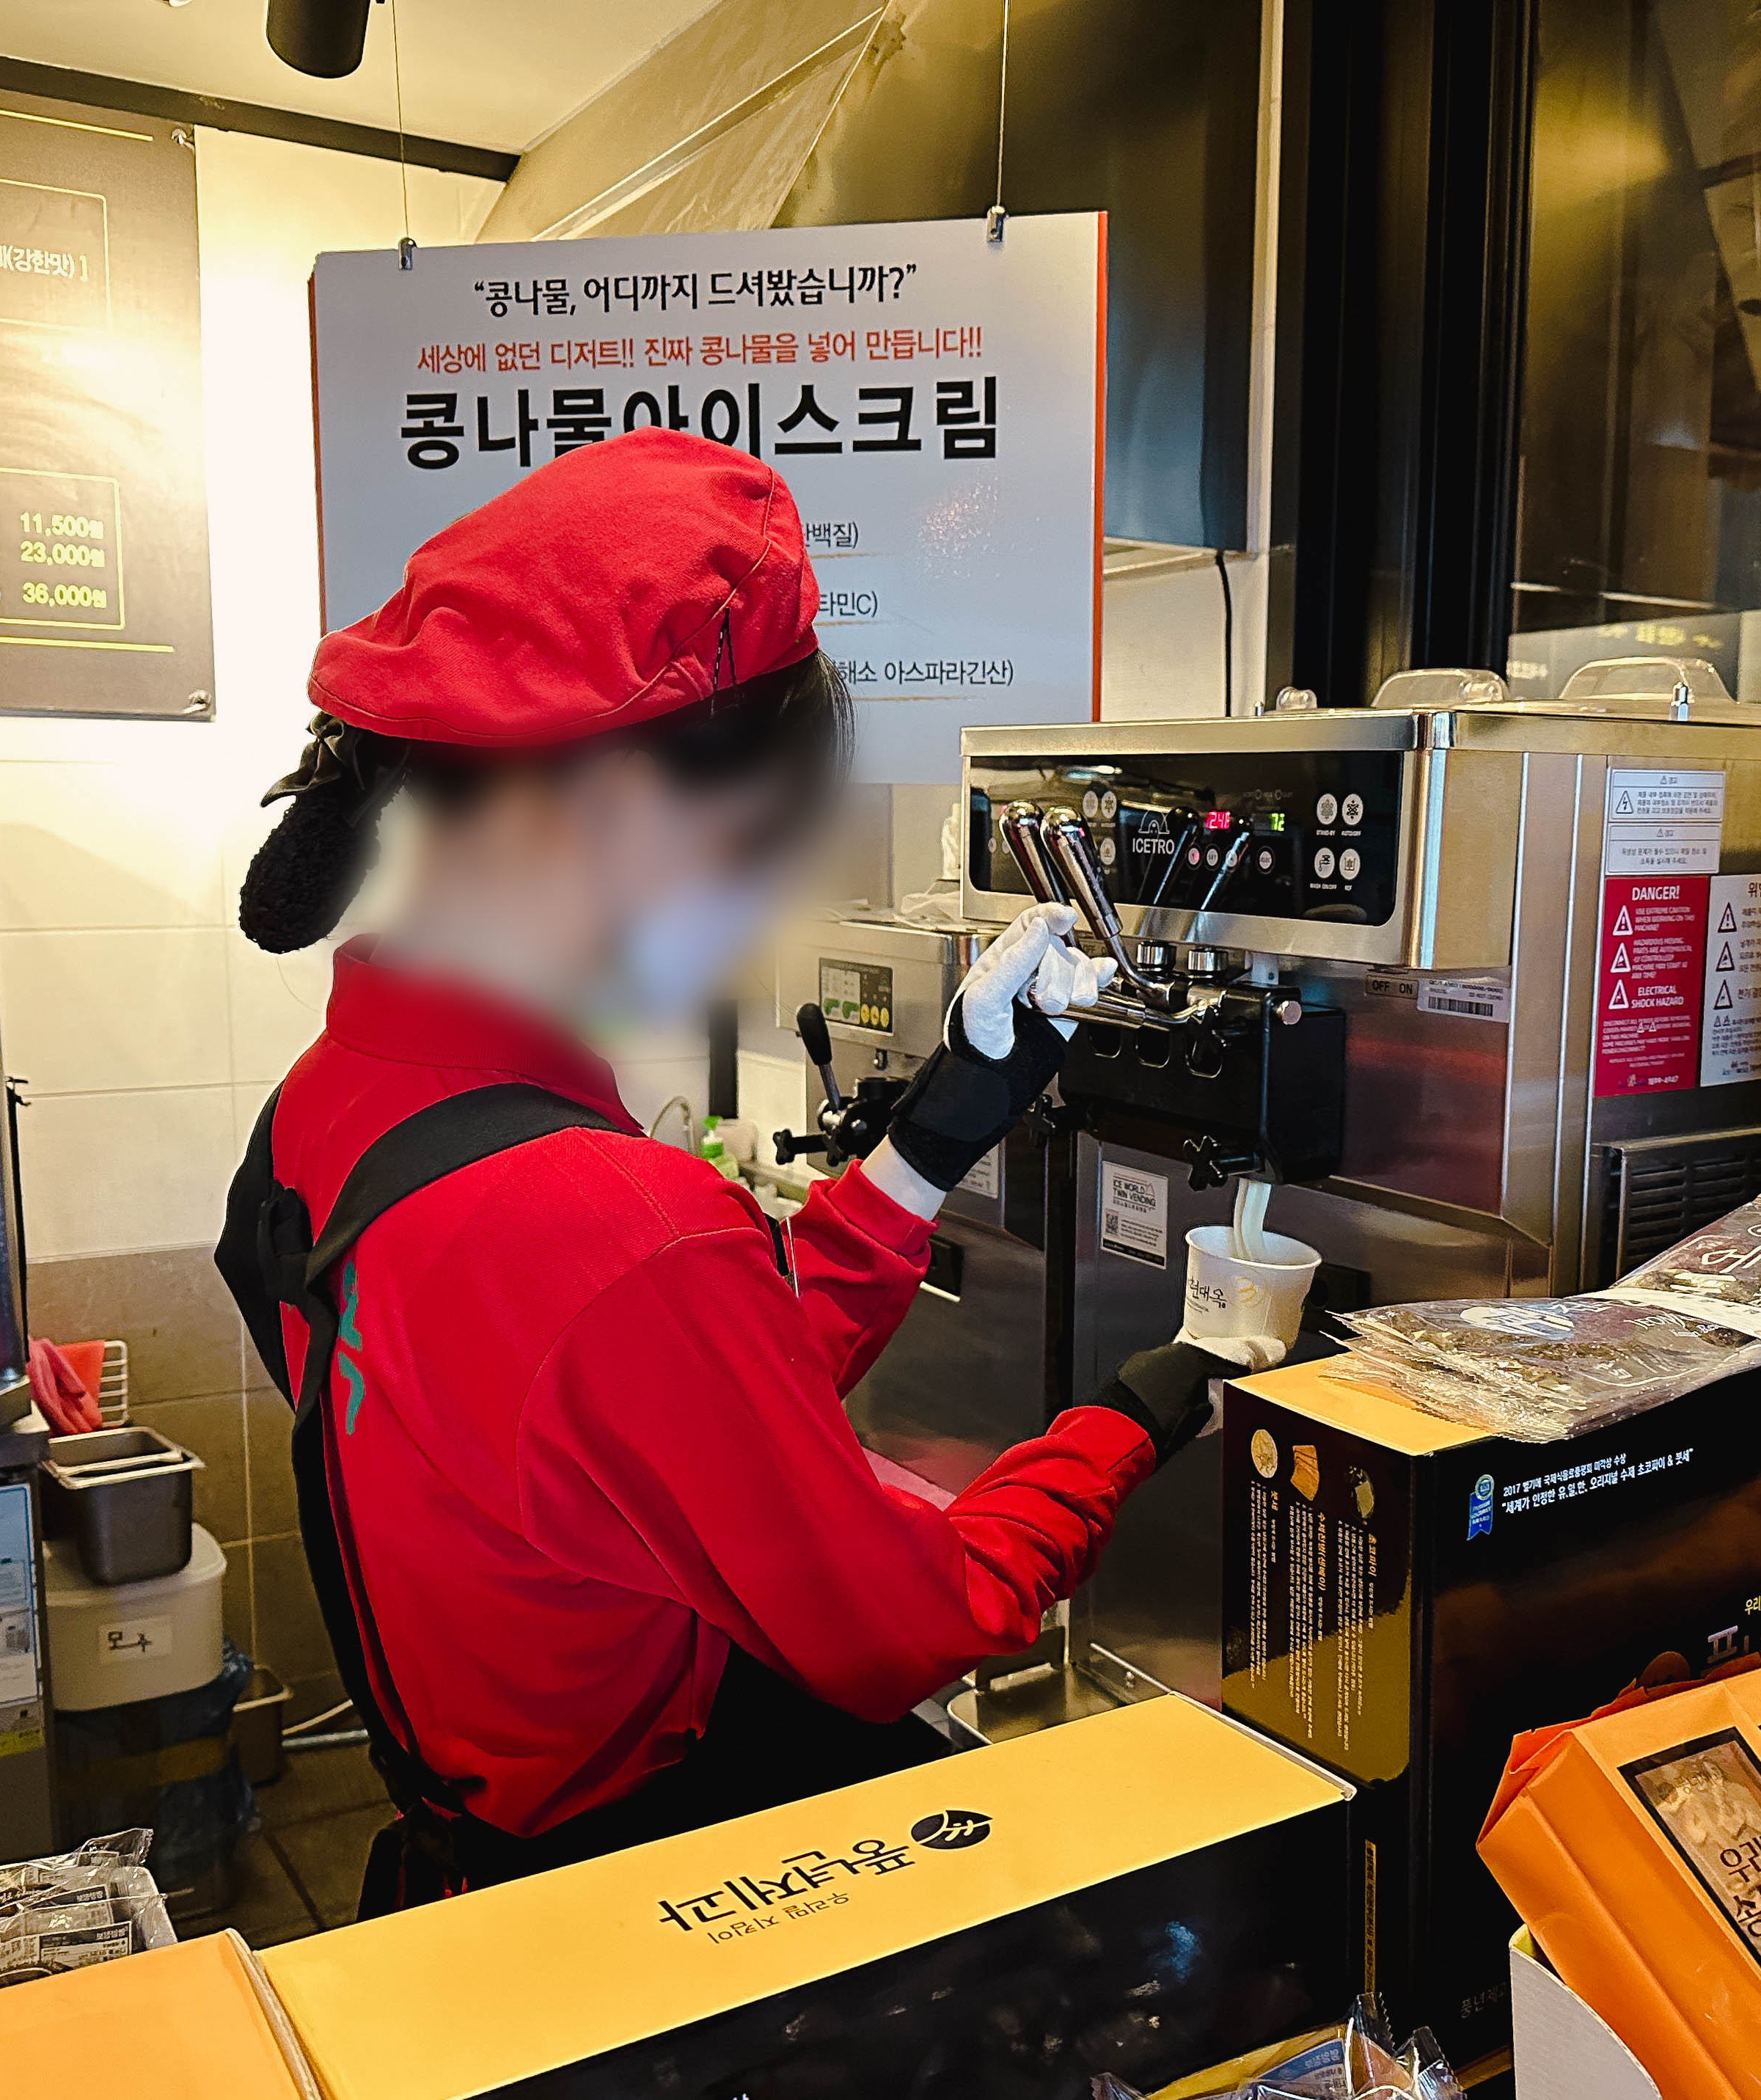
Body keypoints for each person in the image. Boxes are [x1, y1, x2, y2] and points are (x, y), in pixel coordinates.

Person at [213, 428, 1235, 1915]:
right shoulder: (602, 1219)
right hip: (627, 1888)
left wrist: (939, 1128)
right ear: (618, 804)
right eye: (761, 844)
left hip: (462, 1863)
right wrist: (1125, 1423)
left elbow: (670, 1393)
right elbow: (901, 1627)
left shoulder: (336, 1103)